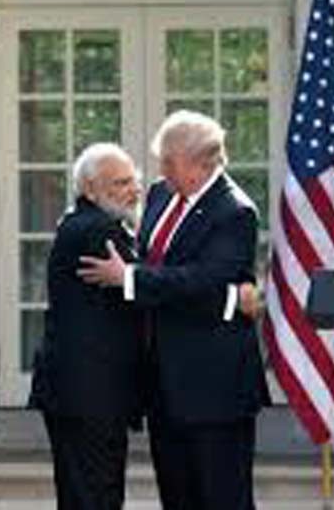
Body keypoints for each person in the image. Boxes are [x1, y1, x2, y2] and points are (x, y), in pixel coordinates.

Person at [78, 111, 269, 510]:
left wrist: (128, 278)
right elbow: (154, 259)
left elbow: (199, 279)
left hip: (213, 389)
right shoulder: (165, 194)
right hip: (164, 385)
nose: (159, 170)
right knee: (177, 497)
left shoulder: (234, 212)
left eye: (168, 160)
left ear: (202, 163)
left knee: (221, 498)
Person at [28, 143, 143, 510]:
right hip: (88, 393)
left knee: (92, 494)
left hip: (85, 392)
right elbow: (149, 286)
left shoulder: (85, 222)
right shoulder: (97, 229)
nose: (134, 190)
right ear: (90, 190)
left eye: (134, 180)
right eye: (121, 183)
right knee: (93, 496)